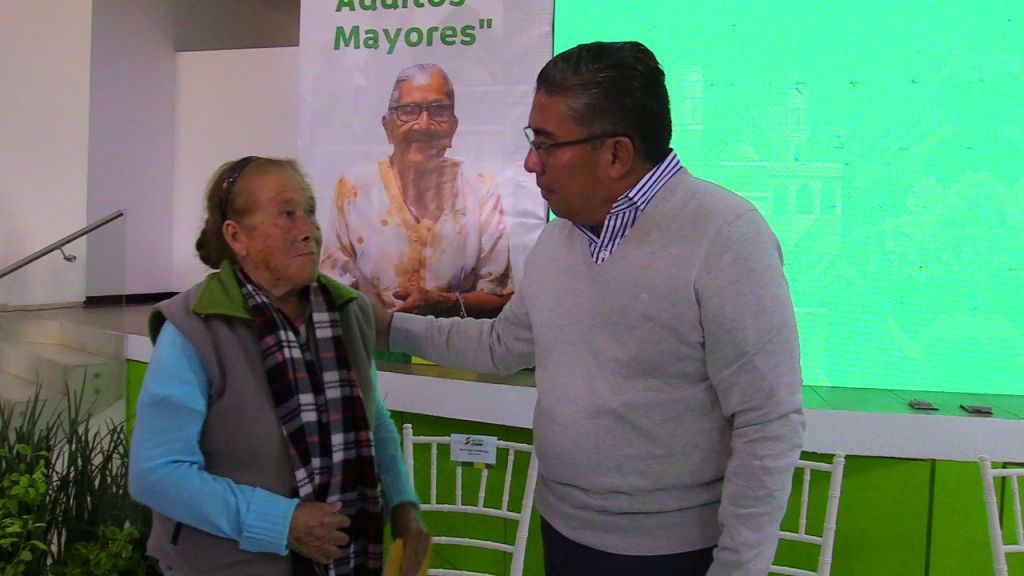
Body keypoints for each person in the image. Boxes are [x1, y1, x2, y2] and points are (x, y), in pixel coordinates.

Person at [376, 42, 804, 576]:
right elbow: (502, 346)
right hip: (563, 530)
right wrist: (390, 329)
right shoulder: (559, 240)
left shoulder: (726, 236)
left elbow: (767, 420)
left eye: (546, 144)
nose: (531, 162)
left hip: (674, 553)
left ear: (616, 154)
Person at [129, 156, 430, 576]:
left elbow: (371, 417)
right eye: (286, 214)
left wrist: (402, 505)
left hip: (348, 559)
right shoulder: (194, 329)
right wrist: (281, 522)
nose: (309, 229)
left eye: (309, 211)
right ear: (236, 236)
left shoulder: (349, 312)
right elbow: (156, 473)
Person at [320, 63, 514, 319]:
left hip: (453, 342)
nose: (423, 124)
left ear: (453, 126)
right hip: (376, 339)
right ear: (387, 126)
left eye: (438, 110)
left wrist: (447, 304)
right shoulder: (355, 188)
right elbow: (333, 289)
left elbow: (499, 297)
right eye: (408, 111)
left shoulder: (480, 189)